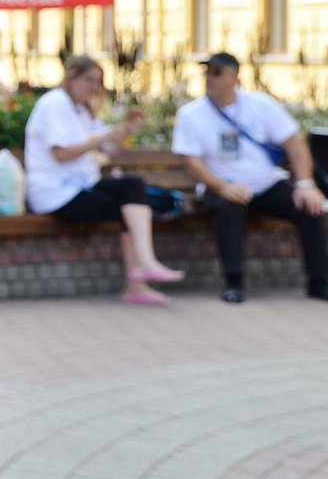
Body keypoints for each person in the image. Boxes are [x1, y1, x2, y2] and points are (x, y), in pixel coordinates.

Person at [23, 55, 183, 305]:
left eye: (98, 82)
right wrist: (103, 137)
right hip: (56, 192)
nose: (94, 87)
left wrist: (125, 132)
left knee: (133, 188)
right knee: (128, 205)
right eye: (90, 80)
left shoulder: (83, 110)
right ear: (72, 77)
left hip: (81, 185)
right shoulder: (54, 103)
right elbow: (61, 153)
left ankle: (142, 271)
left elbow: (108, 152)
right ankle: (139, 278)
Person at [172, 51, 328, 303]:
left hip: (266, 184)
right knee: (228, 209)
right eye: (207, 72)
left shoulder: (261, 104)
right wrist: (222, 187)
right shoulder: (191, 114)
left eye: (217, 73)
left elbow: (295, 146)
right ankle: (233, 282)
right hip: (221, 186)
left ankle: (319, 283)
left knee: (310, 207)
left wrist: (305, 185)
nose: (210, 78)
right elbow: (192, 162)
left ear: (235, 77)